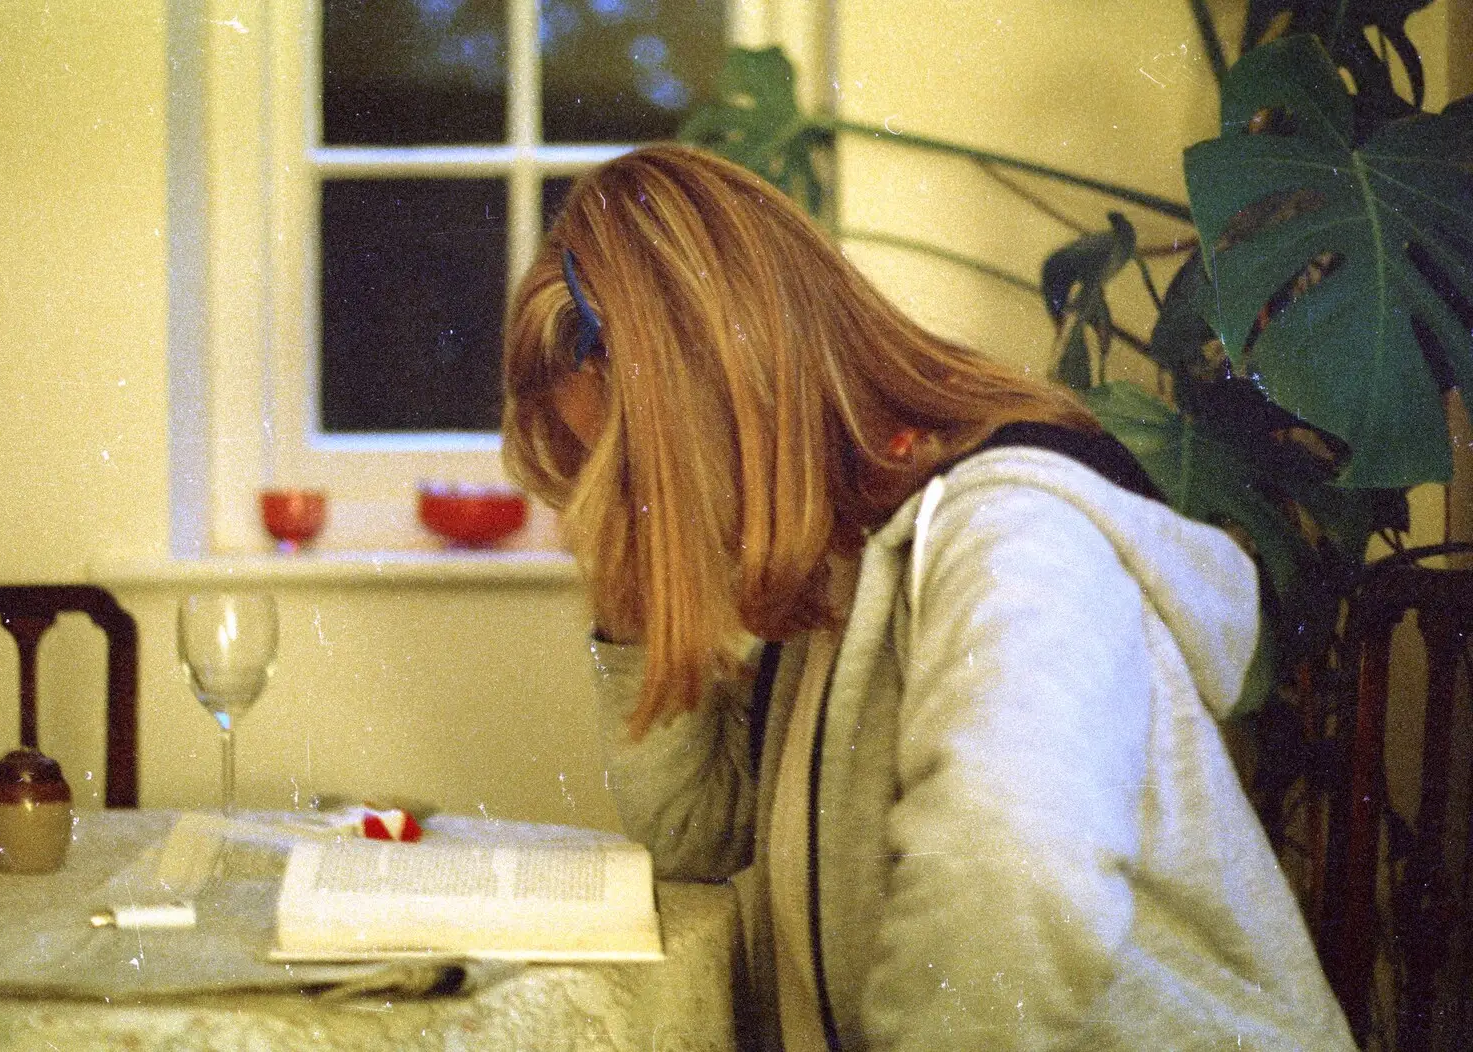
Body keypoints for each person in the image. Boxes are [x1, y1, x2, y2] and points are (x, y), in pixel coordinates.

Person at [502, 143, 1355, 1052]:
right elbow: (700, 836)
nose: (645, 514)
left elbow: (1016, 884)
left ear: (722, 393)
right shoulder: (841, 561)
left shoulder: (1010, 537)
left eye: (638, 476)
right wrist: (633, 585)